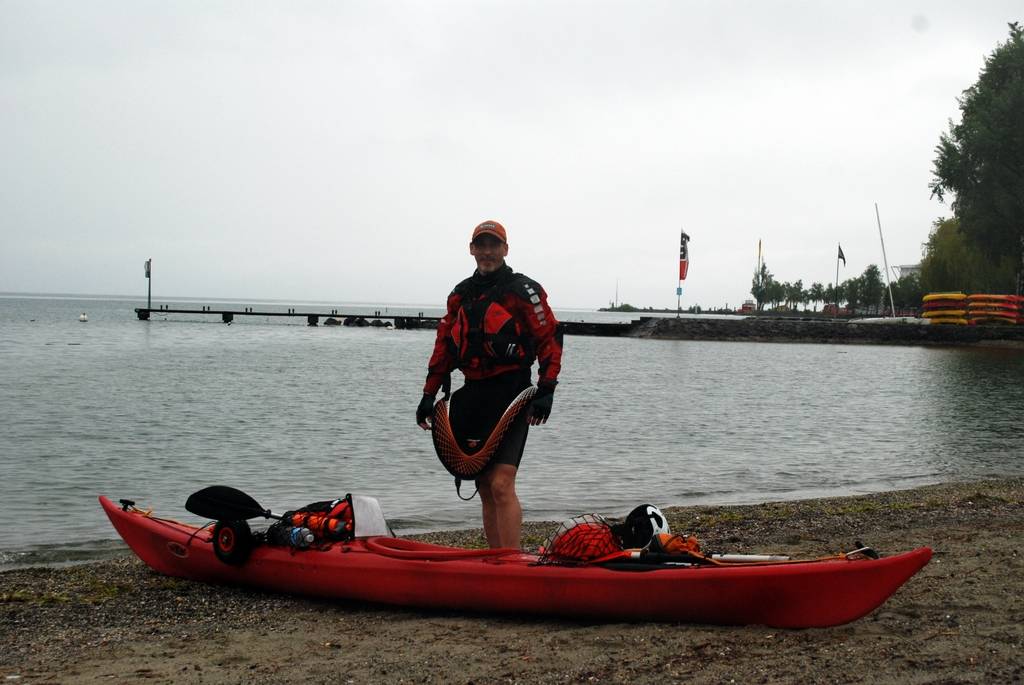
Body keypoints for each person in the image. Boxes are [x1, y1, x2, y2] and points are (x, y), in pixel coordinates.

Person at [416, 220, 562, 549]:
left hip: (513, 393)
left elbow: (550, 339)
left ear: (505, 250)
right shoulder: (460, 294)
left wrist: (547, 390)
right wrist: (428, 394)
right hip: (472, 393)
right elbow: (443, 346)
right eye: (480, 245)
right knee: (483, 484)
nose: (487, 252)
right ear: (471, 249)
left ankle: (510, 566)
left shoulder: (523, 291)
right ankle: (497, 560)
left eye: (493, 245)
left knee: (500, 482)